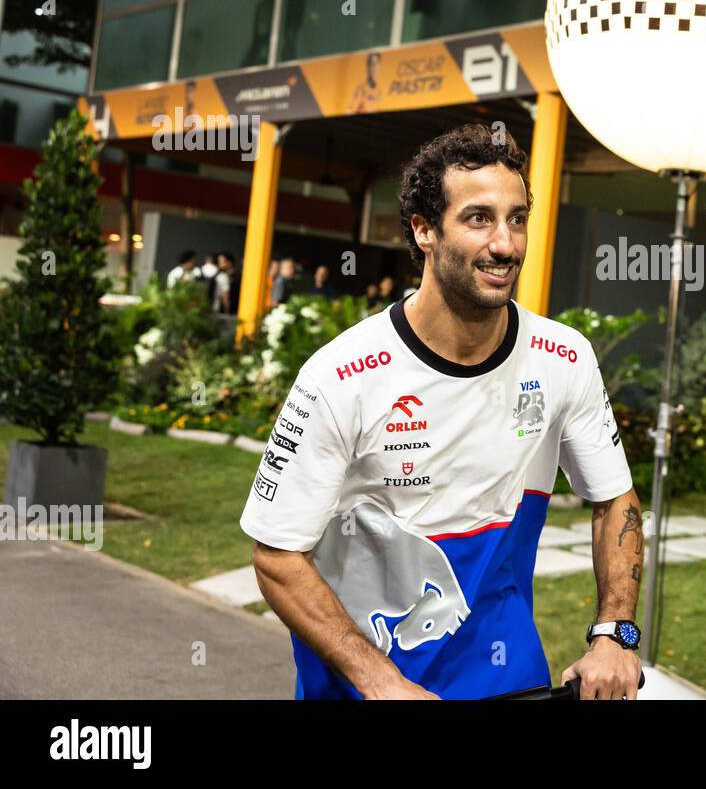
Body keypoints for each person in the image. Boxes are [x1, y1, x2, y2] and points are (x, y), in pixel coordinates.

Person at [240, 123, 642, 700]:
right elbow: (276, 556)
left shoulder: (563, 357)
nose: (505, 244)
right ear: (424, 231)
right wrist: (382, 683)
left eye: (517, 218)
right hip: (367, 687)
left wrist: (616, 635)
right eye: (478, 219)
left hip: (507, 680)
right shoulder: (340, 376)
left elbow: (614, 499)